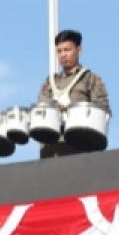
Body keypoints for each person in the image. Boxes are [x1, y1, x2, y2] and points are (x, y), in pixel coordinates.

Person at [37, 30, 110, 158]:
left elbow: (102, 111)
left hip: (80, 148)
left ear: (79, 50)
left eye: (67, 50)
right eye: (59, 51)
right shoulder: (49, 83)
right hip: (51, 149)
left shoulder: (91, 79)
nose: (63, 55)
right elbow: (41, 110)